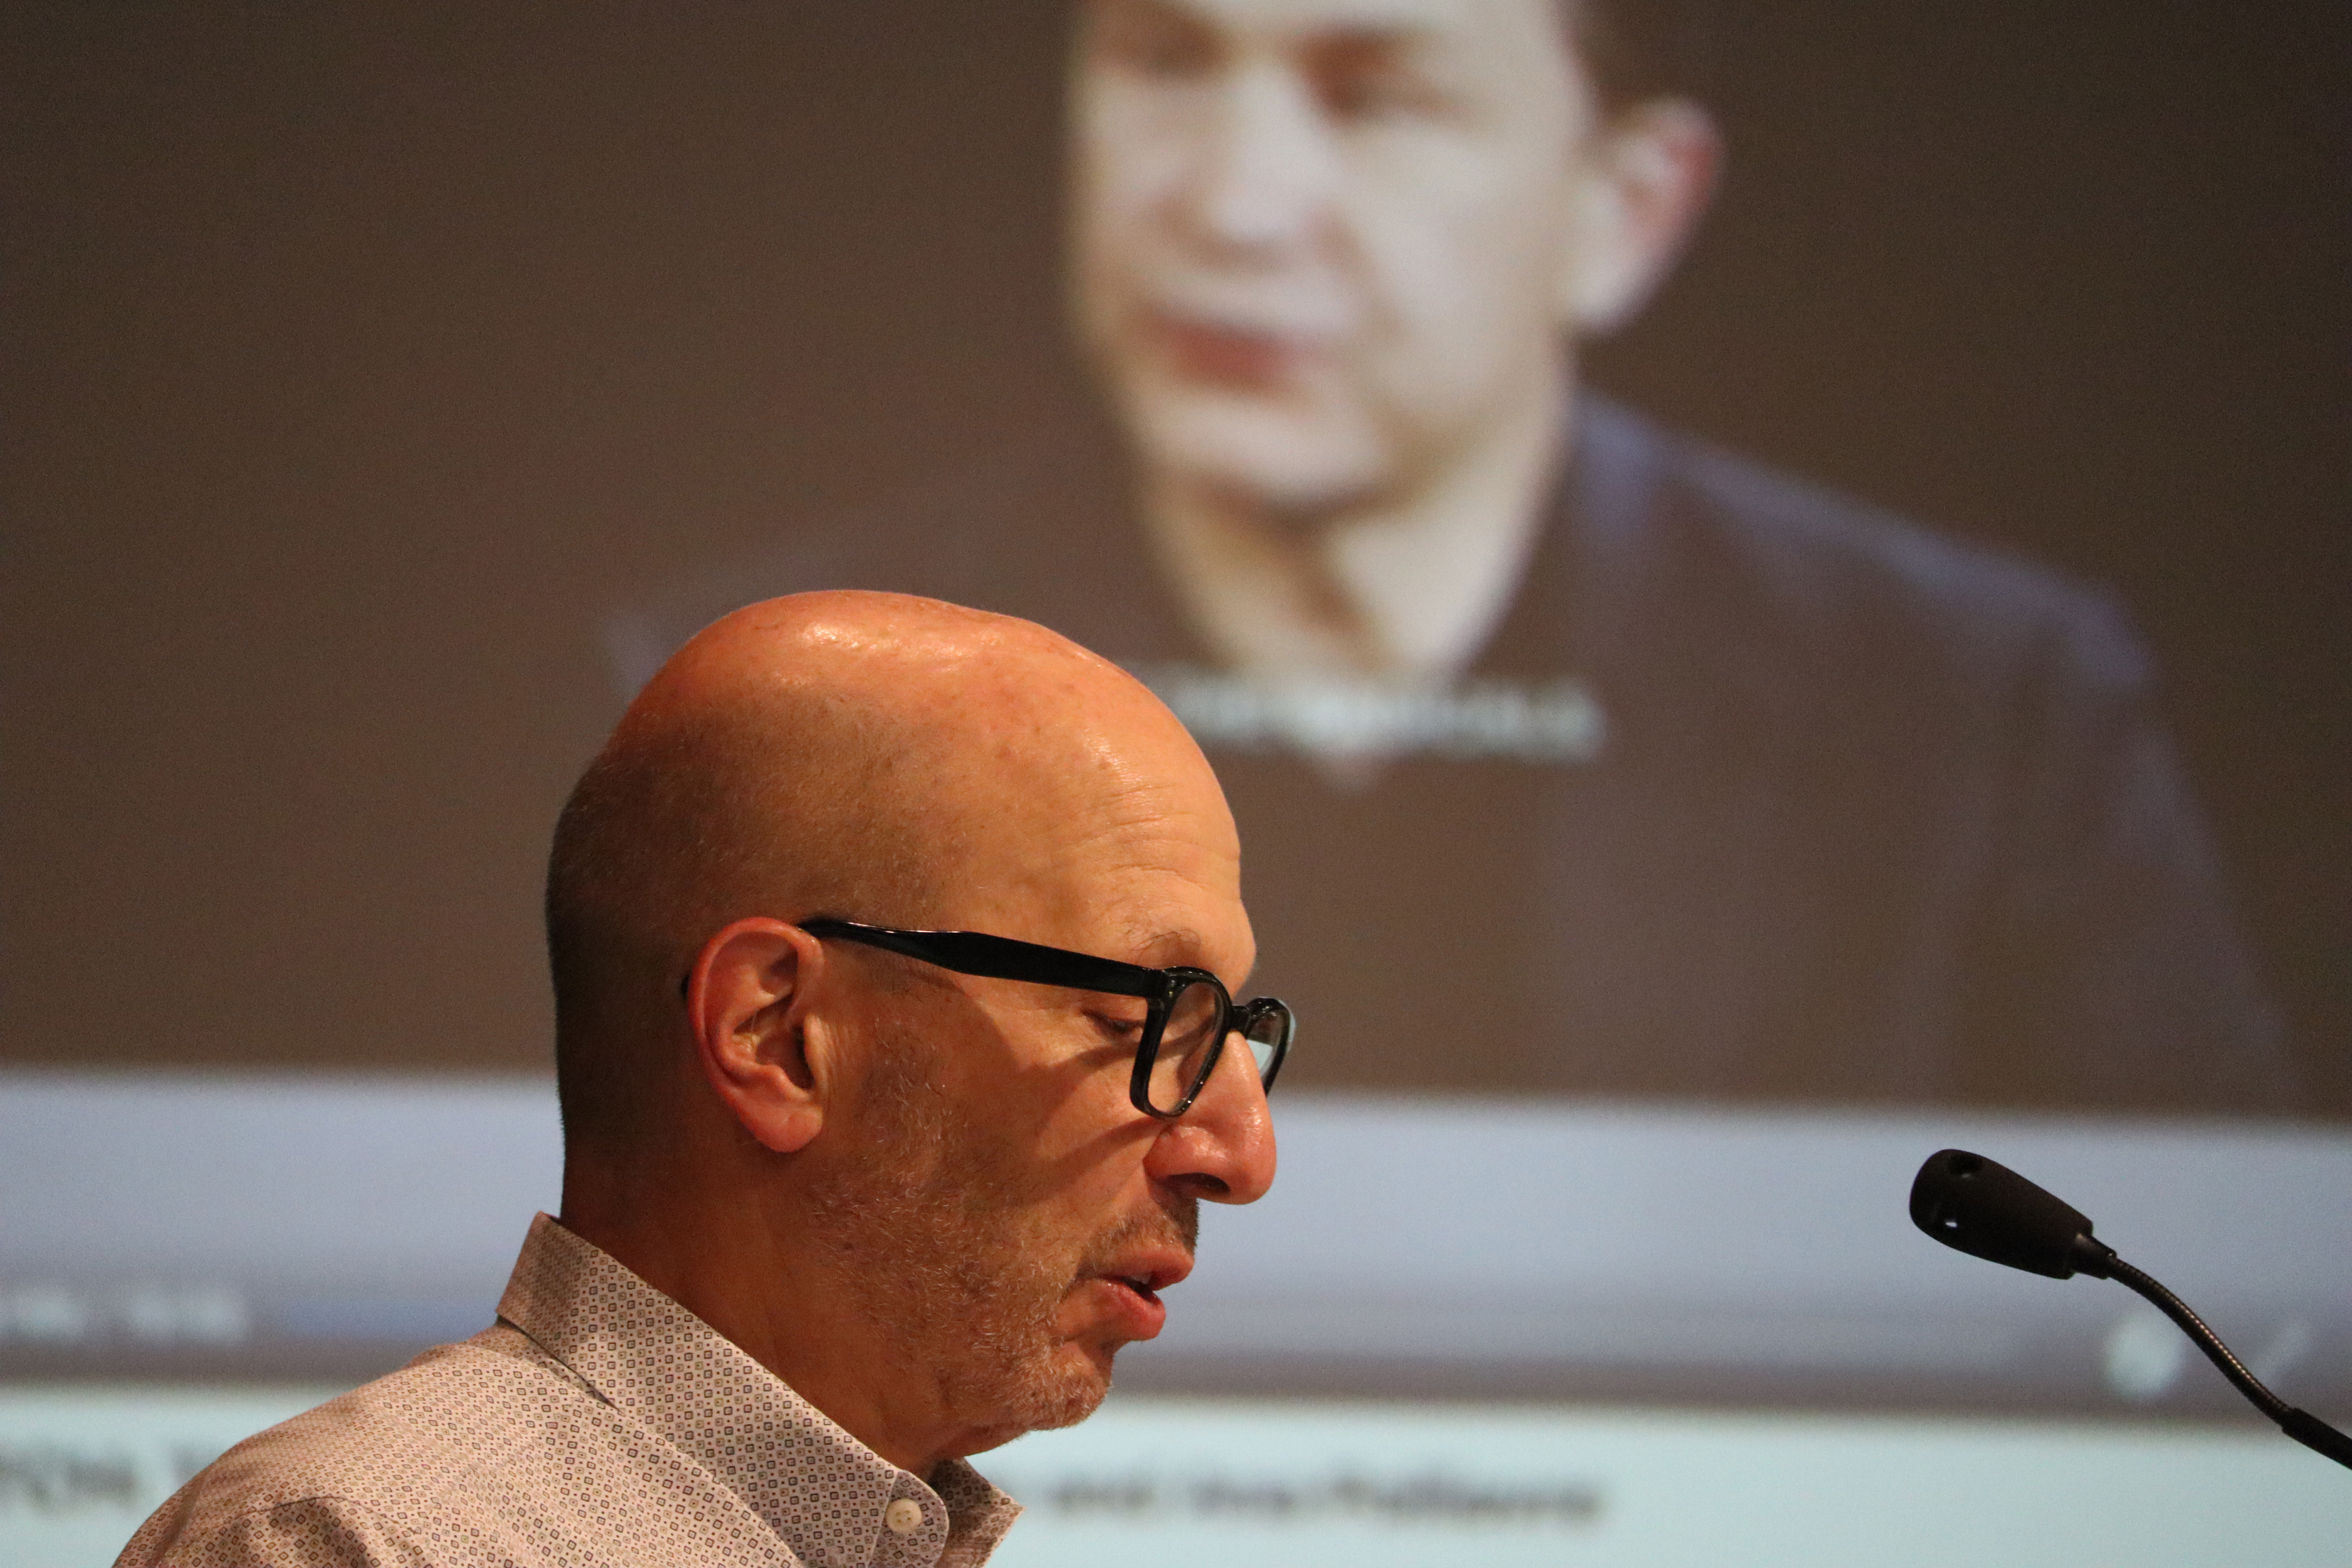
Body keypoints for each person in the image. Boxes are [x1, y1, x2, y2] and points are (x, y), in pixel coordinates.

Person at [610, 0, 2296, 1115]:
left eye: (1376, 98)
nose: (1235, 202)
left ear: (1627, 208)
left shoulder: (1986, 710)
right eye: (1170, 64)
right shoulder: (750, 683)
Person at [118, 591, 1288, 1567]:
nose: (1243, 1153)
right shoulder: (367, 1544)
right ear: (776, 1035)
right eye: (1144, 1013)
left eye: (1233, 1029)